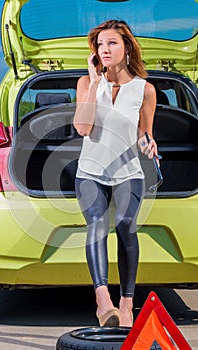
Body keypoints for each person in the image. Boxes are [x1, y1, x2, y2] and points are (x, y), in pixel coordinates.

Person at [73, 19, 159, 328]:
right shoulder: (86, 84)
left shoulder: (145, 90)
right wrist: (95, 82)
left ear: (127, 48)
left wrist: (149, 145)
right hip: (91, 171)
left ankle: (126, 304)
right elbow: (83, 128)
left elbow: (143, 134)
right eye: (100, 45)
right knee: (97, 223)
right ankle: (102, 302)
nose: (104, 49)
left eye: (112, 43)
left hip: (128, 171)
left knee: (124, 224)